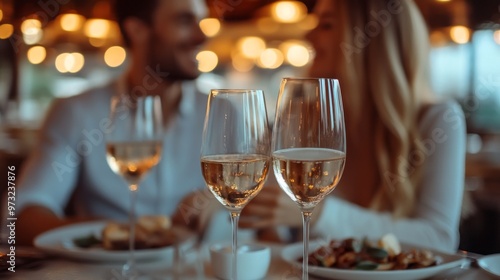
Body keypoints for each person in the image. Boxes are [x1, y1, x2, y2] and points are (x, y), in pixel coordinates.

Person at [242, 0, 466, 253]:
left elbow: (438, 239)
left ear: (372, 40)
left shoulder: (438, 120)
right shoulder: (301, 114)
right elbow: (272, 218)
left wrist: (320, 214)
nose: (309, 34)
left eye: (326, 25)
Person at [14, 0, 215, 245]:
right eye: (184, 21)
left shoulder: (222, 113)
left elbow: (265, 221)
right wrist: (125, 235)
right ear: (137, 30)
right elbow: (21, 216)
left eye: (201, 21)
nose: (202, 36)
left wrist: (272, 214)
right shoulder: (77, 112)